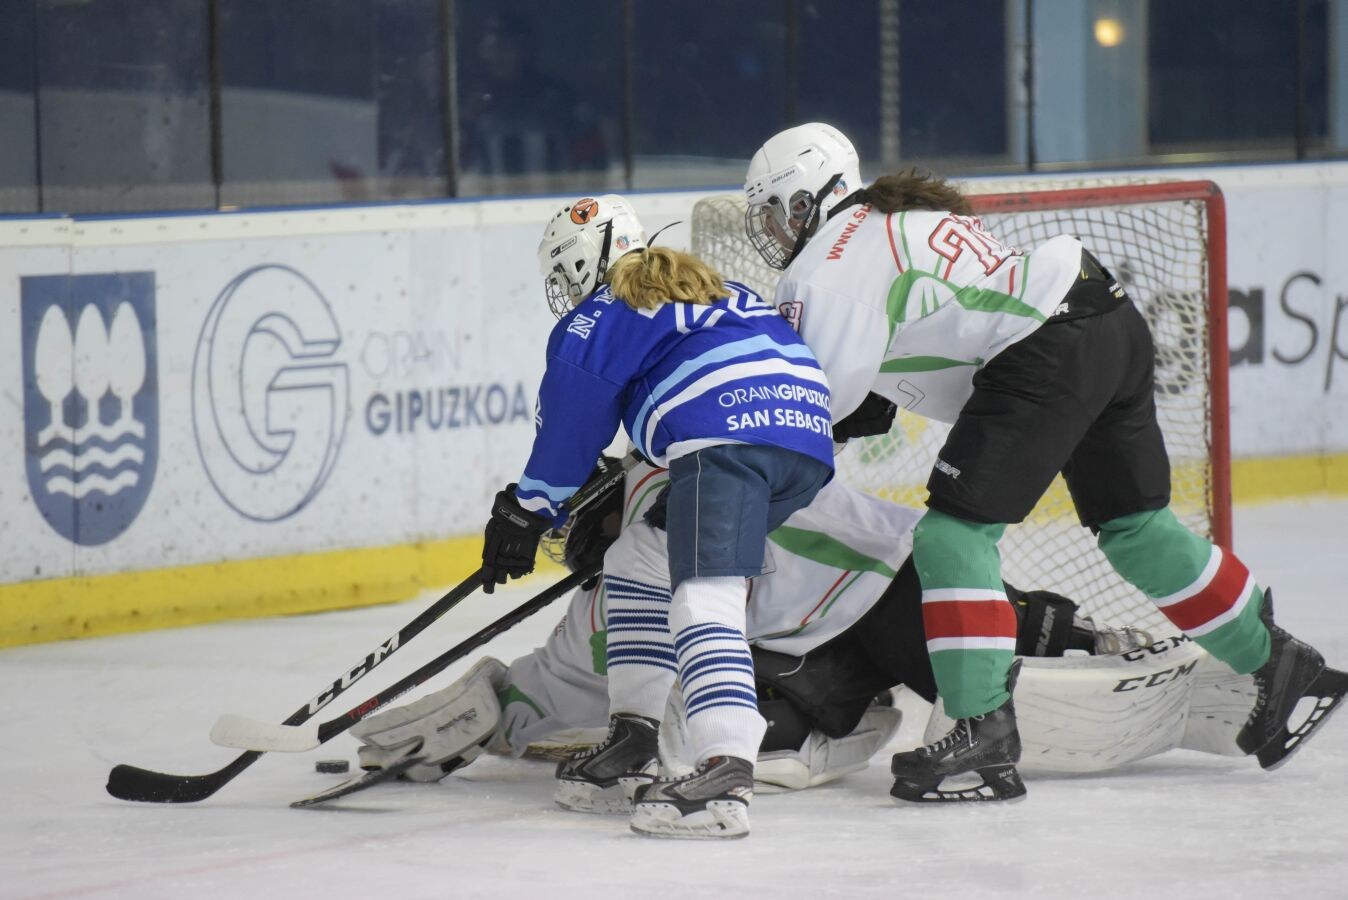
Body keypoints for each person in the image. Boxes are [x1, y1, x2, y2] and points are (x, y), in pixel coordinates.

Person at [742, 122, 1347, 804]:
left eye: (774, 208)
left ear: (805, 199)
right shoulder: (890, 220)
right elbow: (871, 384)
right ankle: (1278, 658)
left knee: (951, 535)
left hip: (1044, 350)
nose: (772, 228)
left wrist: (742, 465)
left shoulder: (825, 260)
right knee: (1137, 530)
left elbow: (809, 402)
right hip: (1107, 318)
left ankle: (980, 733)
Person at [356, 459, 1335, 805]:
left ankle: (1134, 653)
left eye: (593, 517)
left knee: (1025, 699)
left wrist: (1001, 606)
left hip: (896, 597)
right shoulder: (615, 598)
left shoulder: (734, 478)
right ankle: (890, 706)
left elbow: (896, 530)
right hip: (828, 657)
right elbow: (554, 684)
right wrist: (491, 707)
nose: (589, 535)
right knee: (769, 728)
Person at [474, 194, 835, 838]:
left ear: (585, 261)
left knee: (704, 596)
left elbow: (571, 422)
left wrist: (527, 509)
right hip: (804, 444)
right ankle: (635, 738)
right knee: (637, 558)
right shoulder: (712, 287)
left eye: (564, 274)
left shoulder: (604, 310)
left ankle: (724, 765)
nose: (566, 291)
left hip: (724, 444)